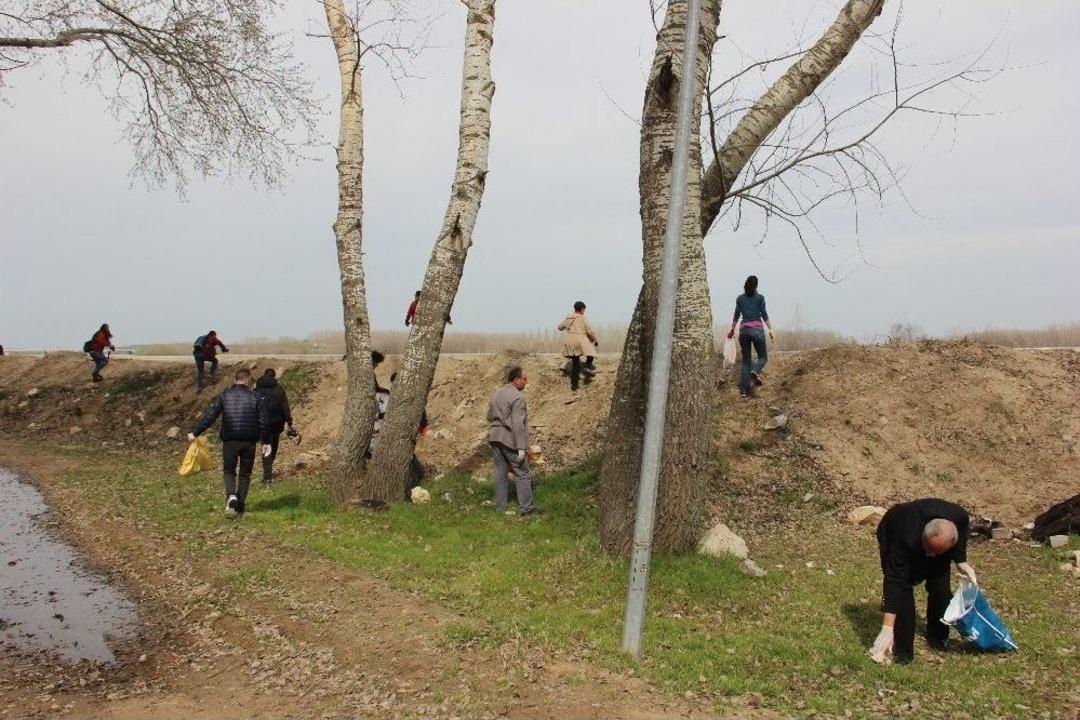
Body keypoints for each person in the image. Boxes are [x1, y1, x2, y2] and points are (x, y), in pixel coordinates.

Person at [869, 498, 978, 665]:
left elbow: (960, 537)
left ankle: (938, 637)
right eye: (928, 550)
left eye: (935, 552)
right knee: (903, 592)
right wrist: (887, 628)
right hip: (892, 530)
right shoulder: (903, 536)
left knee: (941, 589)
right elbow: (894, 582)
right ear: (922, 537)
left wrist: (961, 561)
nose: (930, 556)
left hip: (937, 542)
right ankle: (903, 652)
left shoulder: (959, 517)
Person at [188, 368, 269, 518]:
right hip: (249, 442)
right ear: (247, 379)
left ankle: (231, 496)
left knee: (229, 471)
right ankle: (240, 506)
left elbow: (210, 416)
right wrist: (266, 442)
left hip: (230, 440)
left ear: (235, 380)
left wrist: (195, 432)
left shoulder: (224, 396)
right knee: (245, 474)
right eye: (251, 380)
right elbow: (264, 422)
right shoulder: (255, 397)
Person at [486, 366, 538, 516]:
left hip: (495, 438)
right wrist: (521, 447)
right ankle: (527, 509)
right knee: (522, 472)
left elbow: (489, 416)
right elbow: (517, 424)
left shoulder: (496, 393)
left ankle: (500, 507)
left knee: (500, 473)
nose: (526, 382)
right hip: (510, 439)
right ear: (516, 380)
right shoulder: (518, 398)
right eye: (524, 379)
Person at [727, 275, 774, 398]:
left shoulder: (740, 299)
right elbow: (764, 315)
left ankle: (743, 391)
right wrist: (770, 329)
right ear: (756, 286)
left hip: (744, 332)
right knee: (763, 357)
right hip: (757, 331)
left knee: (746, 362)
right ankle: (755, 371)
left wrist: (732, 330)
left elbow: (736, 316)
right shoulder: (760, 298)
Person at [254, 368, 293, 484]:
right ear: (274, 376)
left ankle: (267, 473)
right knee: (274, 446)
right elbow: (285, 407)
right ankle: (268, 470)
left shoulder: (256, 390)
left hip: (262, 425)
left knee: (266, 446)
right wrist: (289, 421)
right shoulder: (278, 389)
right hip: (276, 423)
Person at [557, 301, 599, 392]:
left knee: (575, 364)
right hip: (580, 339)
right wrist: (595, 340)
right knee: (591, 353)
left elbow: (559, 327)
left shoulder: (569, 317)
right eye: (584, 309)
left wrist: (567, 327)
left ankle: (574, 386)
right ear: (582, 309)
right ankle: (587, 368)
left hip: (569, 341)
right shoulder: (583, 318)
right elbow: (590, 331)